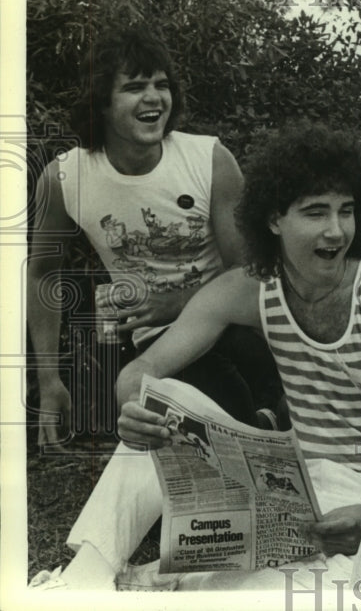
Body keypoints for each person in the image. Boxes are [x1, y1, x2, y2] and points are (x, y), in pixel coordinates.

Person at [28, 124, 361, 591]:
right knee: (159, 403)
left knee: (264, 593)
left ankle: (157, 582)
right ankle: (84, 579)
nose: (336, 230)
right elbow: (144, 368)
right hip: (291, 482)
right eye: (315, 212)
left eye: (347, 211)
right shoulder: (252, 288)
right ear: (275, 220)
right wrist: (131, 409)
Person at [26, 25, 282, 443]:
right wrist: (49, 379)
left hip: (231, 328)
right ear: (102, 102)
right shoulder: (64, 179)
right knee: (193, 414)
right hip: (152, 345)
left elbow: (249, 275)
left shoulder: (210, 161)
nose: (153, 98)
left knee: (236, 408)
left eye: (161, 85)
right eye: (134, 86)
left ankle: (266, 426)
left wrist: (177, 302)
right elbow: (42, 277)